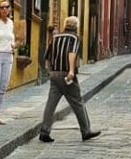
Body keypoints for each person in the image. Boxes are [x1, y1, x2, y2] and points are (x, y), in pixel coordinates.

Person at [38, 15, 102, 143]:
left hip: (55, 74)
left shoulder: (55, 37)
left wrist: (50, 70)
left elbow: (47, 56)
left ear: (65, 25)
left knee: (51, 104)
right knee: (77, 102)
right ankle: (86, 131)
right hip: (67, 75)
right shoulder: (75, 38)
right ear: (76, 27)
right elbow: (72, 53)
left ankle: (44, 131)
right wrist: (71, 71)